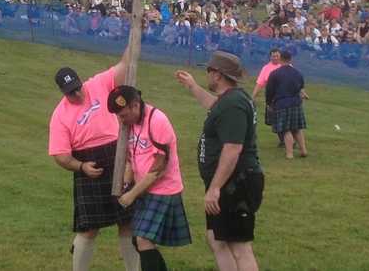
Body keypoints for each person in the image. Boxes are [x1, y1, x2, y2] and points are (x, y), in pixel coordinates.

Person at [48, 50, 139, 271]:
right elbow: (60, 155)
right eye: (71, 92)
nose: (78, 94)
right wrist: (80, 166)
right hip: (89, 164)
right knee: (89, 227)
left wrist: (137, 30)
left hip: (117, 156)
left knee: (127, 222)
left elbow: (125, 65)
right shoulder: (59, 115)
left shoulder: (98, 83)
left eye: (78, 87)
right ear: (63, 92)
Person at [175, 52, 264, 271]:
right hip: (229, 181)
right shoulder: (230, 100)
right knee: (216, 239)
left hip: (236, 183)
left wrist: (215, 188)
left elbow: (233, 149)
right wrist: (193, 87)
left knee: (239, 246)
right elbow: (215, 106)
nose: (208, 75)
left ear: (218, 75)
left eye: (209, 71)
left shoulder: (233, 104)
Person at [111, 85, 191, 271]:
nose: (121, 120)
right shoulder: (129, 124)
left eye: (123, 115)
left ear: (135, 105)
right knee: (137, 239)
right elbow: (132, 158)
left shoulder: (158, 121)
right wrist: (125, 182)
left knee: (143, 239)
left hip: (163, 189)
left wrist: (131, 195)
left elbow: (159, 167)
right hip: (145, 188)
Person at [265, 51, 309, 157]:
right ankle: (303, 150)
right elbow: (301, 87)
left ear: (280, 59)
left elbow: (269, 90)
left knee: (286, 129)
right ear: (290, 60)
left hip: (282, 103)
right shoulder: (298, 73)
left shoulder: (275, 74)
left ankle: (289, 154)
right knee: (297, 128)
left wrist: (269, 103)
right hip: (296, 103)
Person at [250, 48, 284, 130]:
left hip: (284, 96)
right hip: (272, 97)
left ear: (280, 57)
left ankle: (286, 138)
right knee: (273, 120)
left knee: (283, 119)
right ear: (270, 57)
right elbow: (259, 84)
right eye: (273, 56)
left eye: (277, 56)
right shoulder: (266, 68)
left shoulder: (285, 66)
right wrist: (252, 97)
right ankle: (283, 139)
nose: (275, 58)